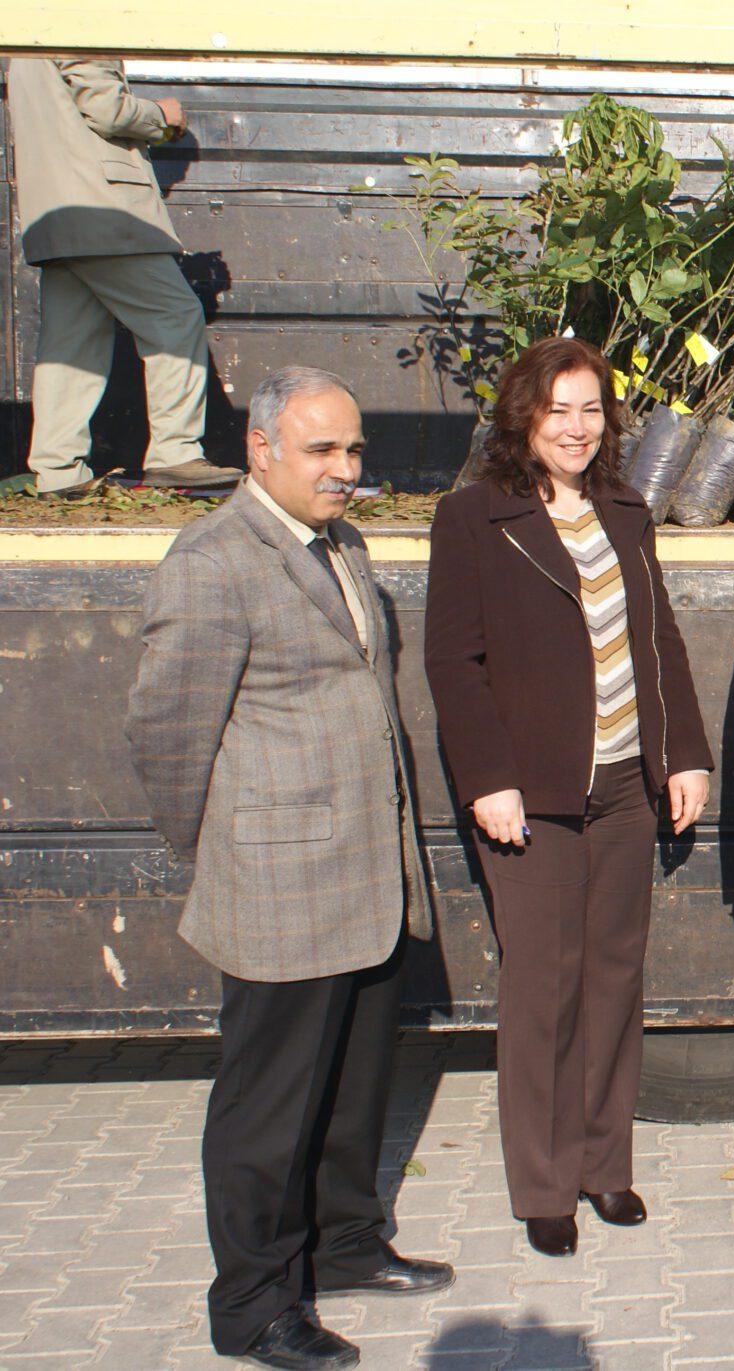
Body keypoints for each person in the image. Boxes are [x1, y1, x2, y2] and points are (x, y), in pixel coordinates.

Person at [125, 367, 448, 1370]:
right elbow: (168, 733)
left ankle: (343, 1242)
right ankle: (254, 1304)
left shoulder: (339, 545)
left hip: (364, 872)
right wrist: (223, 847)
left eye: (353, 451)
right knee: (268, 1105)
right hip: (278, 883)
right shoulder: (214, 559)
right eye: (322, 451)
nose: (345, 470)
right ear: (259, 449)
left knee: (354, 1081)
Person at [424, 336, 714, 1256]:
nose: (578, 428)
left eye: (592, 409)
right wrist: (488, 779)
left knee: (616, 980)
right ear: (524, 417)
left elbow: (659, 638)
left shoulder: (626, 510)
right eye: (559, 411)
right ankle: (545, 1182)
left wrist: (686, 754)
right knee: (543, 989)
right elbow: (452, 661)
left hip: (627, 786)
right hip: (535, 795)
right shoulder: (475, 516)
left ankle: (604, 1165)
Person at [7, 58, 238, 494]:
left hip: (55, 212)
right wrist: (162, 115)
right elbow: (106, 108)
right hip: (103, 204)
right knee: (176, 315)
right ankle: (176, 454)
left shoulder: (30, 25)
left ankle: (58, 471)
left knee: (72, 345)